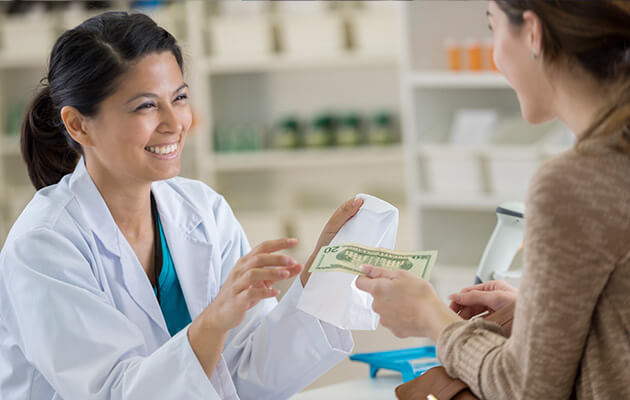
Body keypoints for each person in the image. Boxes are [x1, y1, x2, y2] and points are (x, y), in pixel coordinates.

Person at [0, 11, 363, 399]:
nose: (176, 122)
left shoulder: (202, 210)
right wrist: (213, 322)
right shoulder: (43, 246)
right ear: (78, 125)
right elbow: (113, 393)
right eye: (146, 106)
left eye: (180, 98)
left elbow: (246, 375)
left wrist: (320, 282)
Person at [356, 1, 630, 399]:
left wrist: (432, 318)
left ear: (533, 33)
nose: (494, 54)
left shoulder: (574, 183)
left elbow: (525, 388)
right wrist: (538, 313)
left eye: (493, 28)